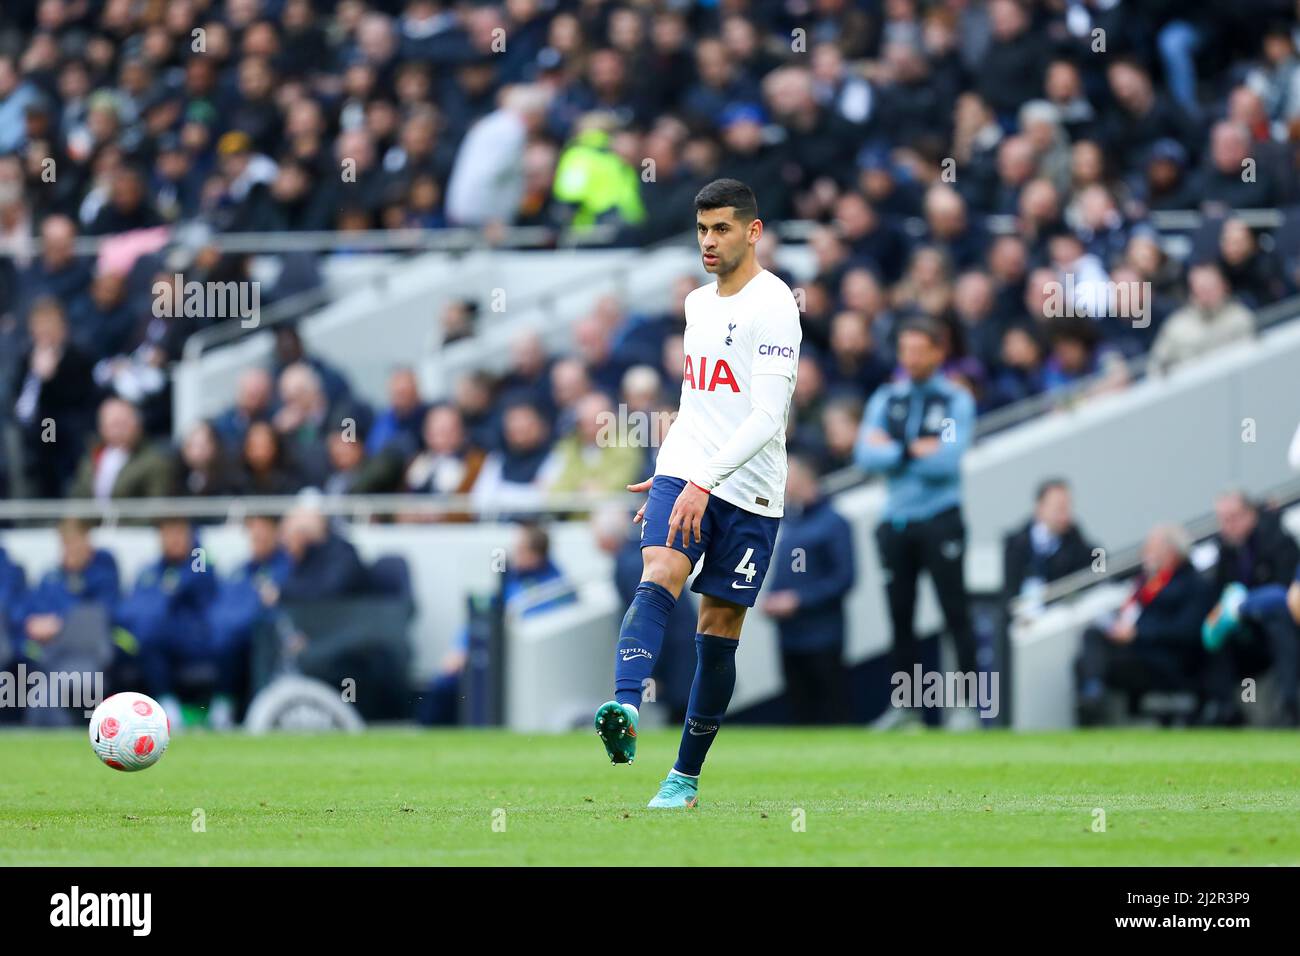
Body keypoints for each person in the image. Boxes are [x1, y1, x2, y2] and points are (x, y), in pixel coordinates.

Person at [593, 178, 801, 810]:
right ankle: (626, 708)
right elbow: (697, 399)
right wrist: (673, 466)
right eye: (702, 230)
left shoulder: (775, 306)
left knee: (718, 626)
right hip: (689, 467)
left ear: (753, 231)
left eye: (721, 229)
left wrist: (706, 481)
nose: (708, 243)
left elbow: (766, 416)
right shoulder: (698, 305)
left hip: (749, 489)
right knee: (658, 571)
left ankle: (683, 778)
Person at [854, 316, 978, 730]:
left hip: (940, 517)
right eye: (905, 349)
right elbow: (864, 455)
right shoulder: (887, 398)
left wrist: (893, 449)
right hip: (896, 522)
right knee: (900, 617)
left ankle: (968, 707)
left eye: (919, 349)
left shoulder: (953, 401)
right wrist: (912, 449)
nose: (911, 357)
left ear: (938, 352)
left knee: (954, 612)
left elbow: (946, 459)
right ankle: (906, 709)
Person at [1074, 524, 1209, 726]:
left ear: (1171, 553)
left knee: (1096, 663)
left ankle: (1094, 696)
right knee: (1091, 639)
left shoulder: (1192, 585)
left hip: (1164, 660)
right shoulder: (1146, 582)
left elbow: (1187, 630)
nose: (1145, 554)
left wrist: (1139, 633)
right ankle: (1092, 694)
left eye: (1152, 549)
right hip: (1138, 650)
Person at [761, 452, 855, 724]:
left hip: (823, 637)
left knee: (832, 709)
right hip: (789, 637)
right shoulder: (789, 522)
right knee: (799, 711)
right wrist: (770, 600)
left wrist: (798, 600)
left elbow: (844, 579)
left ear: (804, 478)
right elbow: (783, 574)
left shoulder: (834, 522)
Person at [1200, 491, 1300, 726]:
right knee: (1216, 633)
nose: (1228, 525)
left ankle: (1289, 704)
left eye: (1233, 517)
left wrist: (1244, 604)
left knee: (1279, 626)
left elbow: (1287, 596)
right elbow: (1219, 595)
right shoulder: (1226, 550)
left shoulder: (1279, 541)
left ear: (1251, 514)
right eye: (1223, 519)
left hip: (1279, 624)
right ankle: (1224, 708)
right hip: (1247, 629)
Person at [1003, 478, 1097, 608]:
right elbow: (1010, 593)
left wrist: (1103, 573)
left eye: (1068, 507)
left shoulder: (1073, 536)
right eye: (1059, 508)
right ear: (1040, 508)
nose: (1065, 516)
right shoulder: (1017, 543)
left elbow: (1096, 555)